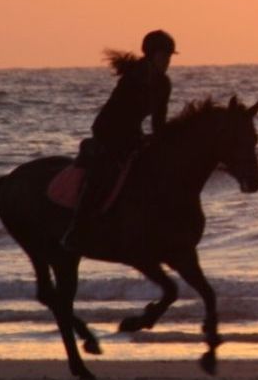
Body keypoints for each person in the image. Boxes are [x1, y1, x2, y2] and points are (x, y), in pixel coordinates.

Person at [62, 30, 177, 251]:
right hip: (109, 130)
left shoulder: (164, 83)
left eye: (169, 58)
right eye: (164, 57)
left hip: (133, 133)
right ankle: (77, 229)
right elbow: (124, 113)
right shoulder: (135, 75)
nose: (167, 62)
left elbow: (158, 122)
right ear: (151, 55)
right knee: (106, 171)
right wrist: (139, 138)